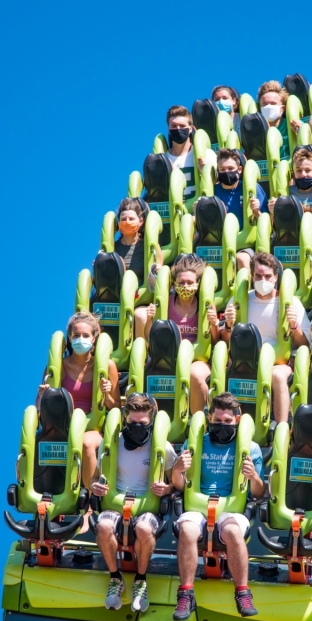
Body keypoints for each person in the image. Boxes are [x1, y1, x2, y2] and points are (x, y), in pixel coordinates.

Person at [171, 393, 265, 619]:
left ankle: (242, 591)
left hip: (231, 509)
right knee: (187, 529)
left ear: (237, 421)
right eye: (217, 421)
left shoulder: (251, 449)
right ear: (209, 418)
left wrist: (253, 476)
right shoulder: (195, 443)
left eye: (227, 422)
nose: (221, 426)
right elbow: (182, 487)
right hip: (198, 506)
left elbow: (259, 492)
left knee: (233, 531)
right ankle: (186, 594)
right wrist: (176, 470)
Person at [90, 393, 176, 613]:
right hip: (115, 503)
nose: (137, 427)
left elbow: (176, 483)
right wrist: (95, 486)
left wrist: (167, 489)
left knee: (144, 528)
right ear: (124, 420)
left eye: (142, 423)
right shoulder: (111, 445)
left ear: (151, 421)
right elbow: (94, 478)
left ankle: (140, 579)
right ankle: (115, 578)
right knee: (103, 525)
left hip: (147, 507)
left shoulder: (163, 448)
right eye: (132, 423)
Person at [220, 252, 311, 423]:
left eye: (268, 276)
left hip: (278, 363)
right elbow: (225, 341)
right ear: (252, 277)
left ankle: (281, 428)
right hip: (244, 360)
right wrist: (228, 325)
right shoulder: (239, 300)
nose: (263, 280)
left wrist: (293, 326)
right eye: (258, 276)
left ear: (276, 277)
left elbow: (303, 344)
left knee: (277, 377)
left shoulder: (291, 302)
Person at [37, 312, 120, 487]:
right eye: (76, 335)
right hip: (63, 426)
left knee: (86, 443)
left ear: (94, 338)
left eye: (85, 335)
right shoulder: (57, 367)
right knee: (40, 441)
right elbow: (39, 410)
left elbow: (117, 408)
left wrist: (106, 396)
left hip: (94, 428)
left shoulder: (107, 366)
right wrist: (41, 397)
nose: (80, 339)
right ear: (69, 337)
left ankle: (89, 501)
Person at [145, 253, 221, 414]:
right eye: (181, 282)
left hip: (198, 359)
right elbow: (149, 339)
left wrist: (214, 324)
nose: (185, 286)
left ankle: (197, 418)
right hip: (170, 357)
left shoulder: (205, 304)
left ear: (197, 284)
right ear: (174, 283)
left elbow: (215, 341)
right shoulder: (166, 303)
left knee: (194, 374)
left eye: (190, 283)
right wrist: (149, 319)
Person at [269, 145, 312, 278]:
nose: (303, 174)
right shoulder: (287, 194)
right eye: (299, 171)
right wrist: (273, 213)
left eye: (308, 170)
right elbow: (274, 227)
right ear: (293, 172)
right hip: (291, 240)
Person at [210, 147, 268, 271]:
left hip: (245, 245)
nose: (227, 172)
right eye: (222, 169)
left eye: (231, 169)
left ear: (239, 169)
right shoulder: (213, 191)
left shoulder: (252, 188)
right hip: (220, 243)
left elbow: (268, 222)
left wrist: (257, 211)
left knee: (242, 258)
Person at [114, 197, 164, 338]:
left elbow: (160, 268)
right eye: (124, 219)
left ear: (140, 221)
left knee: (140, 316)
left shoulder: (149, 246)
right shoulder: (114, 248)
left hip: (142, 299)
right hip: (119, 298)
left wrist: (158, 269)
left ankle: (141, 353)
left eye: (131, 218)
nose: (127, 222)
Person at [256, 80, 302, 158]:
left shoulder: (293, 124)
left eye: (273, 103)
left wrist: (300, 131)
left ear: (282, 109)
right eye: (264, 104)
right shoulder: (256, 132)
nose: (268, 107)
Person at [165, 105, 196, 201]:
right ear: (168, 130)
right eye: (174, 126)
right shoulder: (163, 160)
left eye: (182, 126)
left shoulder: (204, 154)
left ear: (190, 129)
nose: (178, 129)